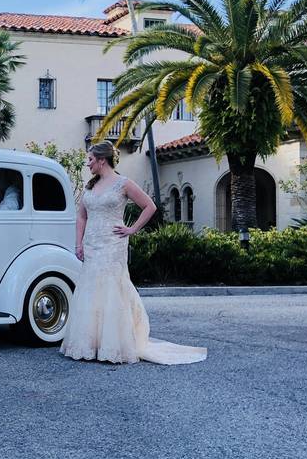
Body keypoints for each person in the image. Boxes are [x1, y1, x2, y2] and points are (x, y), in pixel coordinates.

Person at [60, 141, 207, 365]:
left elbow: (150, 206)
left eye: (90, 159)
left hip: (113, 243)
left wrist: (132, 229)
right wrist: (78, 244)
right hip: (92, 245)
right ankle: (89, 343)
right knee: (90, 288)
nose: (87, 163)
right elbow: (81, 216)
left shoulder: (123, 183)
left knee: (111, 288)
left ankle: (115, 344)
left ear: (101, 160)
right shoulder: (90, 186)